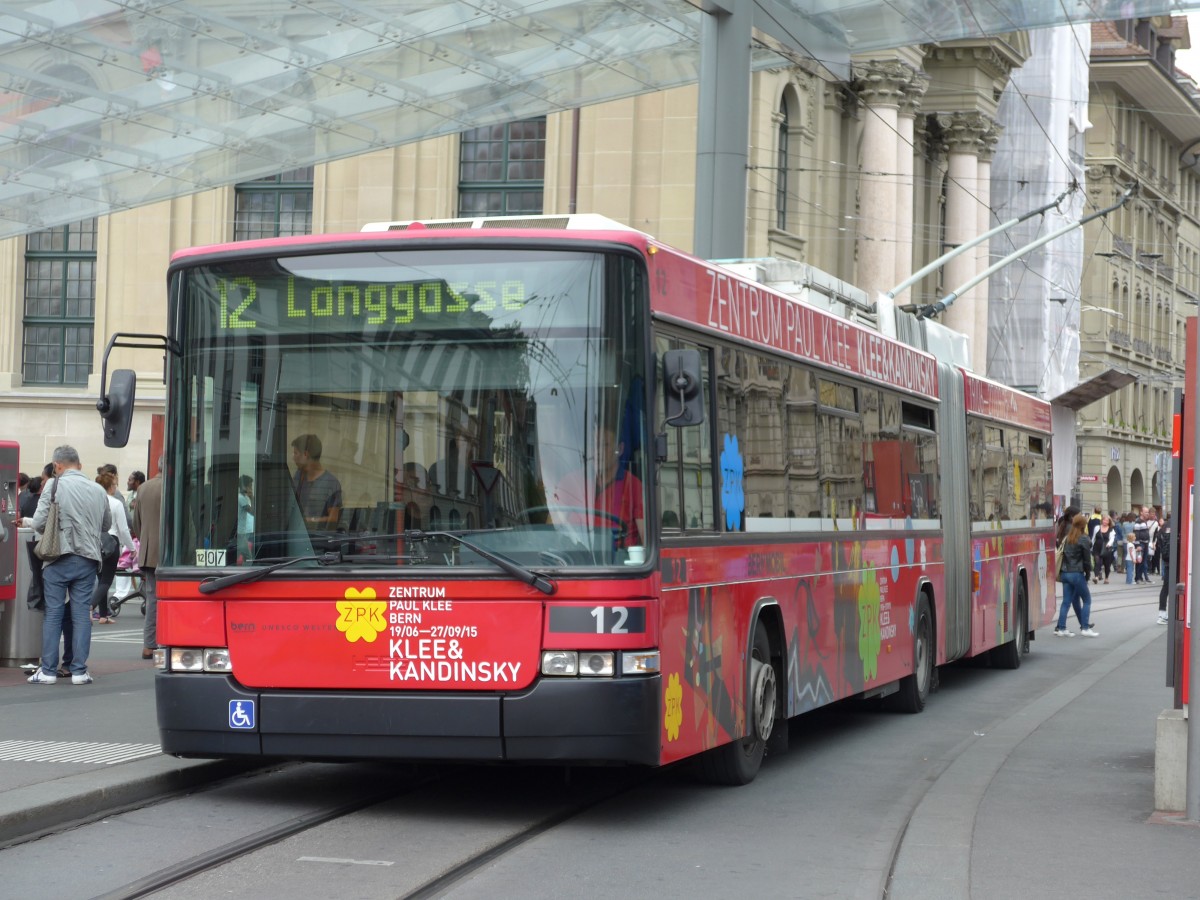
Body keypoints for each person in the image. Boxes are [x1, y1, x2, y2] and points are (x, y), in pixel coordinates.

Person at [24, 445, 111, 684]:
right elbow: (106, 525)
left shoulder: (54, 484)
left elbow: (41, 523)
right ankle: (79, 671)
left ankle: (49, 671)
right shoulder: (97, 489)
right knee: (82, 614)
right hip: (88, 558)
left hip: (58, 557)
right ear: (79, 465)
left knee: (53, 613)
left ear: (57, 466)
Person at [91, 471, 136, 624]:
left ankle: (103, 614)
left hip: (96, 541)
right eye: (115, 485)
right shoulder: (116, 503)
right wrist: (132, 548)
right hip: (111, 541)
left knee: (100, 577)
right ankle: (90, 606)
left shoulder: (94, 501)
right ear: (110, 486)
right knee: (107, 581)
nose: (116, 488)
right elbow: (123, 529)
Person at [133, 461, 163, 660]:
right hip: (171, 554)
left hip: (148, 551)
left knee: (152, 598)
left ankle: (149, 645)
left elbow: (136, 522)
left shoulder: (143, 488)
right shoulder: (177, 485)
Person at [1055, 513, 1099, 638]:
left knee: (1066, 602)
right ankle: (1085, 627)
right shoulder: (1083, 538)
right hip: (1076, 573)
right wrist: (1088, 573)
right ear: (1083, 525)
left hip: (1065, 573)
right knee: (1087, 600)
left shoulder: (1067, 537)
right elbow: (1086, 559)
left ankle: (1061, 628)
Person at [291, 433, 342, 530]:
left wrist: (308, 521)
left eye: (296, 453)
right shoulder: (298, 477)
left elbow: (333, 520)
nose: (293, 457)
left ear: (305, 454)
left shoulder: (331, 483)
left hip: (318, 541)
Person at [1091, 515, 1116, 585]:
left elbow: (1112, 539)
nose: (1105, 522)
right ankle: (1096, 577)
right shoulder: (1097, 527)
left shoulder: (1111, 529)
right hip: (1097, 547)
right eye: (1104, 520)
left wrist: (1109, 544)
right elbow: (1094, 537)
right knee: (1097, 562)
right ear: (1102, 520)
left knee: (1107, 564)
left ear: (1109, 522)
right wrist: (1091, 545)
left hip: (1106, 548)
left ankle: (1106, 578)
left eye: (1107, 521)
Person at [1157, 513, 1173, 625]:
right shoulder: (1177, 524)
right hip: (1176, 561)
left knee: (1165, 587)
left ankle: (1162, 614)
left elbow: (1159, 540)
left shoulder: (1164, 526)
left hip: (1167, 560)